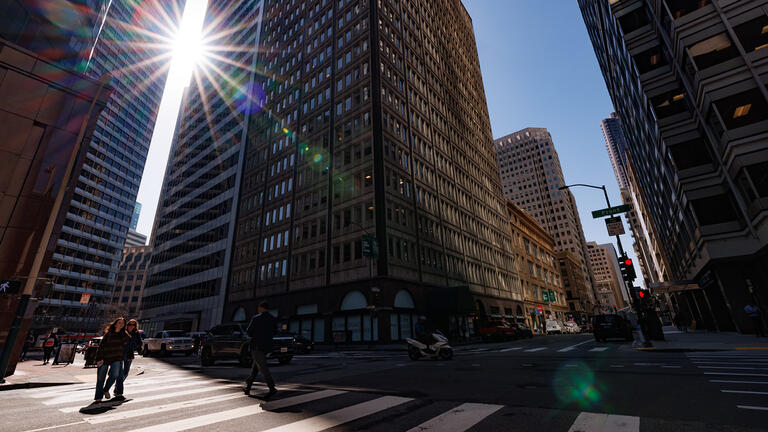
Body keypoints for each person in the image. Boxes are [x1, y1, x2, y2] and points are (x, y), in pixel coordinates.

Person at [90, 317, 130, 406]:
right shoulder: (108, 334)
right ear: (115, 324)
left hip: (116, 358)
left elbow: (128, 345)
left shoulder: (124, 335)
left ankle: (106, 389)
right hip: (104, 358)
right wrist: (99, 358)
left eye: (123, 323)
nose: (121, 324)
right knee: (100, 379)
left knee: (115, 374)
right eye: (119, 322)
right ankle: (98, 398)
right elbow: (101, 346)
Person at [244, 302, 277, 399]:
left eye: (258, 307)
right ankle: (248, 387)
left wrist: (256, 334)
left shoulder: (256, 318)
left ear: (261, 308)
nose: (258, 309)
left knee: (262, 367)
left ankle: (272, 388)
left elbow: (249, 332)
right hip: (267, 347)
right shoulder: (272, 318)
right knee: (256, 366)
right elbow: (275, 331)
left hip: (257, 346)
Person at [113, 319, 142, 401]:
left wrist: (134, 347)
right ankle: (118, 391)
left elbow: (140, 343)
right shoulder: (123, 331)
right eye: (130, 324)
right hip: (121, 354)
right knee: (120, 373)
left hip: (129, 354)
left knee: (126, 372)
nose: (131, 326)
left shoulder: (136, 333)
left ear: (135, 326)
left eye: (133, 325)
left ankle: (117, 387)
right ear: (127, 325)